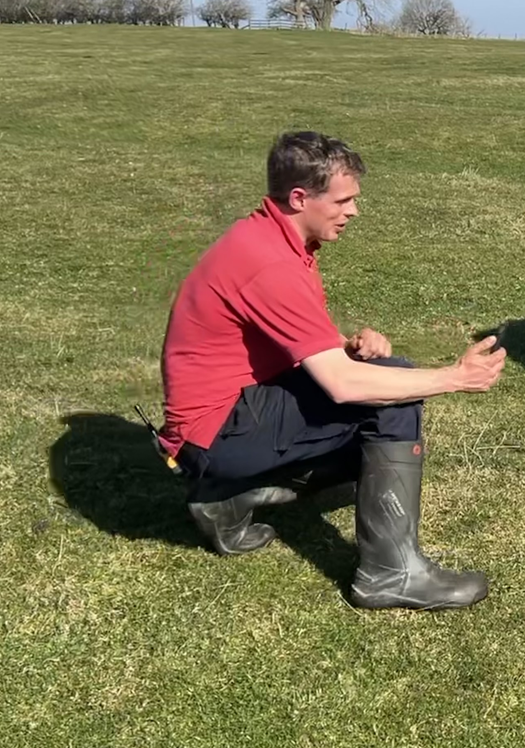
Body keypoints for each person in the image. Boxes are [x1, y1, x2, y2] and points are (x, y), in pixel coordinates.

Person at [155, 131, 506, 611]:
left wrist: (346, 345)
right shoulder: (269, 261)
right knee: (391, 396)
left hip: (221, 424)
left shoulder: (271, 239)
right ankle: (389, 575)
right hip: (216, 433)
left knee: (378, 377)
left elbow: (287, 340)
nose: (353, 211)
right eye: (343, 200)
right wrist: (453, 377)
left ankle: (226, 496)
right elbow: (340, 385)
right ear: (300, 197)